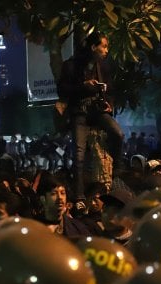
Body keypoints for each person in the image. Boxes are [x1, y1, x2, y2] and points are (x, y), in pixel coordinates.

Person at [58, 31, 124, 204]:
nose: (106, 50)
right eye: (104, 46)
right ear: (93, 47)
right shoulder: (71, 65)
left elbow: (110, 89)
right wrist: (83, 86)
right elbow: (63, 91)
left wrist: (108, 103)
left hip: (97, 111)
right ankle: (79, 195)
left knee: (118, 133)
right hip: (79, 112)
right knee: (78, 155)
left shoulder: (102, 66)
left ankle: (117, 169)